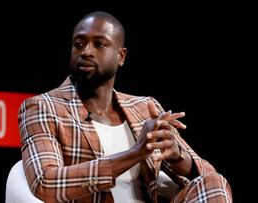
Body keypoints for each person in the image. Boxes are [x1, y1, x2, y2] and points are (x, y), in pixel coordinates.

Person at [18, 11, 232, 203]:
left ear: (121, 56)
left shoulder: (145, 108)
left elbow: (206, 177)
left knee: (213, 183)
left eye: (99, 44)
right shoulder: (42, 107)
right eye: (79, 44)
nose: (86, 51)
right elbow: (44, 183)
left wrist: (177, 156)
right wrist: (135, 153)